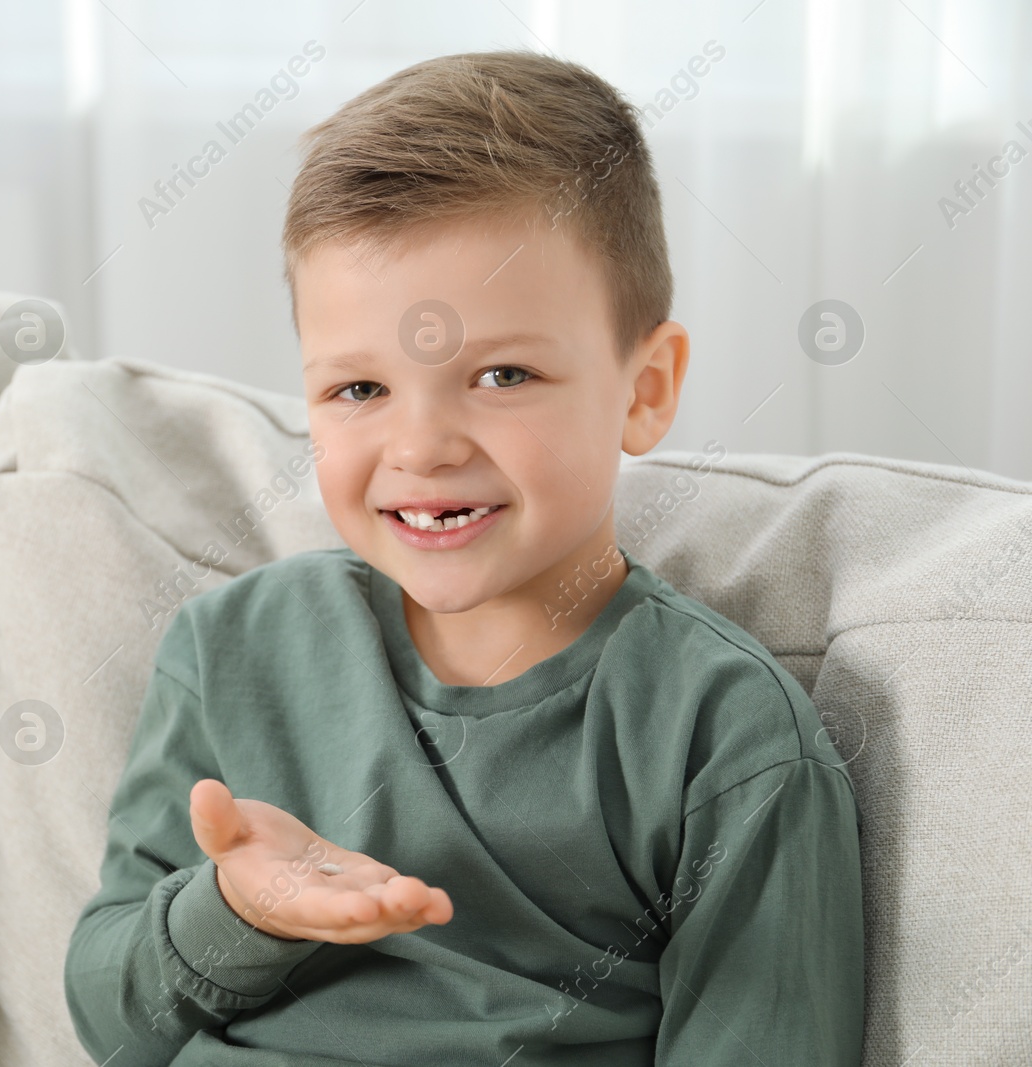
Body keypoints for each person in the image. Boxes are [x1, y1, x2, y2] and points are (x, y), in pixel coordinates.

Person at [65, 49, 863, 1066]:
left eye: (501, 373)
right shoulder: (230, 648)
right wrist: (236, 907)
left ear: (645, 387)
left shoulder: (724, 732)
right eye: (359, 390)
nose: (422, 446)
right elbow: (108, 1022)